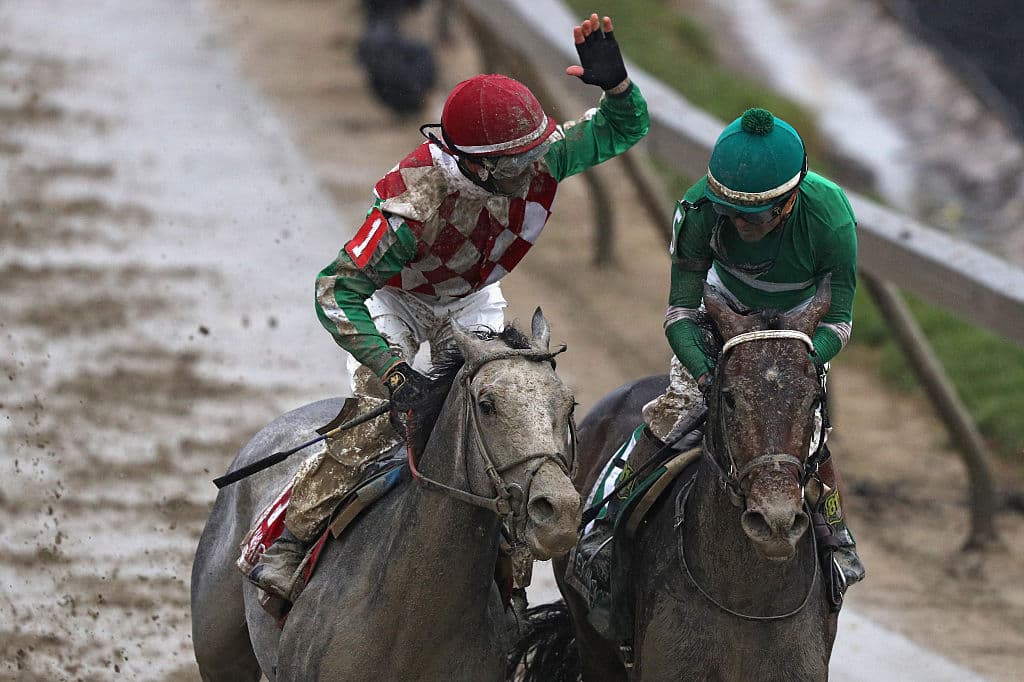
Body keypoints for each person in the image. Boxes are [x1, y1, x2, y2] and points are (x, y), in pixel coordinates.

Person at [247, 13, 650, 602]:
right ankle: (287, 540)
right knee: (377, 421)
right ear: (477, 165)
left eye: (536, 154)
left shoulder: (532, 158)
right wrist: (393, 370)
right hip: (395, 299)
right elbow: (335, 289)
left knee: (515, 412)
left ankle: (510, 573)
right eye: (518, 165)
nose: (535, 170)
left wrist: (617, 87)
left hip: (471, 298)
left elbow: (625, 128)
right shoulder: (414, 204)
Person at [642, 106, 864, 585]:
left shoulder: (831, 219)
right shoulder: (699, 210)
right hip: (721, 307)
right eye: (728, 212)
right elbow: (680, 314)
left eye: (754, 214)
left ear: (789, 200)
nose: (739, 223)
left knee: (812, 431)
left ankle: (837, 537)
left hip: (798, 327)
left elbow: (839, 323)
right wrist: (707, 374)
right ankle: (607, 524)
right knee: (674, 411)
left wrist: (803, 358)